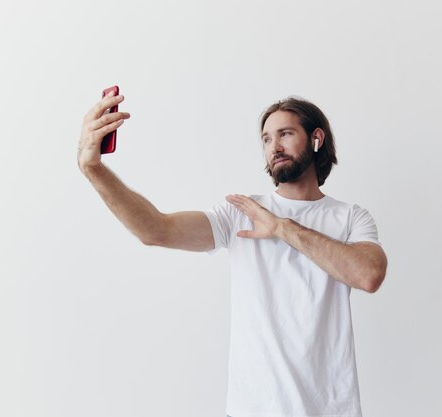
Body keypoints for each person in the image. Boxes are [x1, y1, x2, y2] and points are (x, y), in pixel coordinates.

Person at [78, 91, 388, 417]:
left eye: (285, 134)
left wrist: (283, 228)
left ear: (316, 138)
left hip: (329, 409)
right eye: (267, 138)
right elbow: (156, 230)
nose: (274, 146)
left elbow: (368, 275)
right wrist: (93, 168)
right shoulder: (240, 212)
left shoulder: (351, 217)